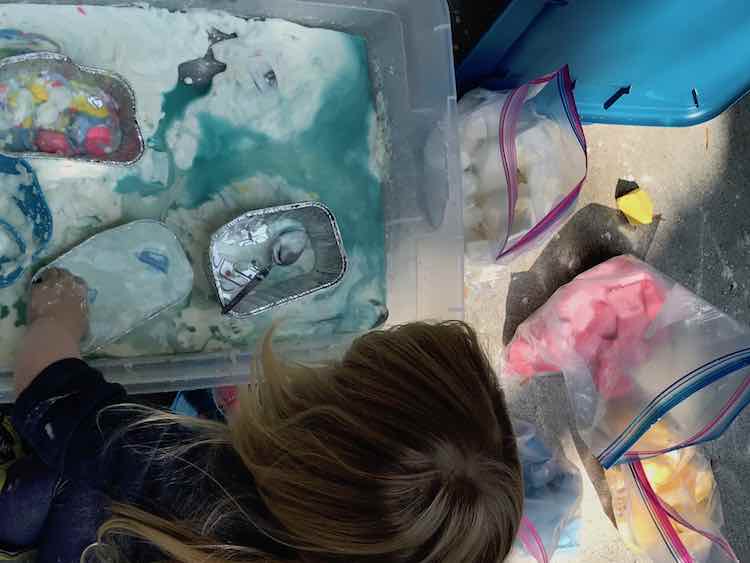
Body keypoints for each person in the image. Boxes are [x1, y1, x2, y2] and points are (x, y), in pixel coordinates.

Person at [0, 268, 523, 563]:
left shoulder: (196, 475)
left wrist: (58, 314)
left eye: (340, 372)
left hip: (96, 547)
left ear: (312, 439)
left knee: (62, 473)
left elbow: (47, 389)